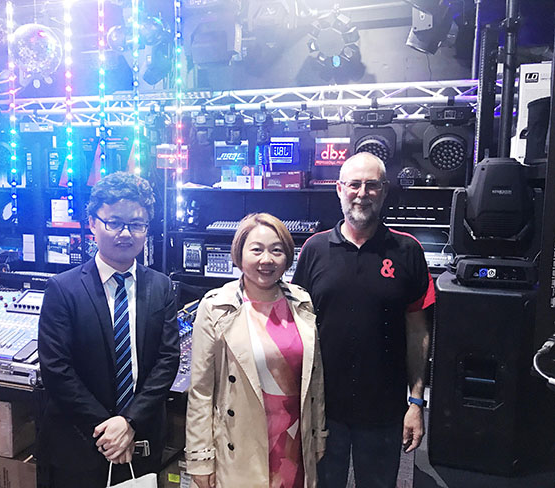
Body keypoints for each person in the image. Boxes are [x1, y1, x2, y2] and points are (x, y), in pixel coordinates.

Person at [292, 152, 435, 488]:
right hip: (323, 410)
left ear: (384, 191)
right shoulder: (314, 249)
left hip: (384, 412)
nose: (362, 193)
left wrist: (416, 402)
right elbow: (297, 330)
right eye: (354, 184)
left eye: (372, 185)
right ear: (339, 189)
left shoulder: (408, 251)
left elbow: (418, 332)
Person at [38, 172, 180, 487]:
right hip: (79, 444)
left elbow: (167, 360)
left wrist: (129, 422)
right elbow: (56, 369)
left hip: (141, 439)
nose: (125, 233)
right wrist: (109, 428)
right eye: (114, 222)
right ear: (92, 223)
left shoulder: (161, 287)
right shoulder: (63, 289)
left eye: (137, 224)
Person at [185, 213, 326, 488]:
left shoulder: (301, 301)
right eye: (257, 250)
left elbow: (315, 380)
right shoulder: (216, 307)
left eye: (276, 250)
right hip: (239, 447)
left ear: (288, 256)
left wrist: (318, 435)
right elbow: (201, 391)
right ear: (239, 254)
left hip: (293, 442)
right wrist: (200, 458)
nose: (267, 259)